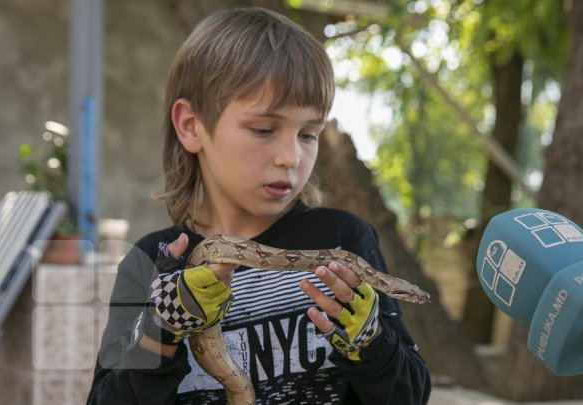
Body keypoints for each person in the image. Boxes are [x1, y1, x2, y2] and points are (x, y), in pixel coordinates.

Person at [87, 7, 431, 405]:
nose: (290, 156)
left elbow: (410, 395)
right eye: (264, 129)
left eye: (309, 134)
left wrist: (372, 342)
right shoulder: (154, 262)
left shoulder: (345, 241)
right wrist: (162, 327)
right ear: (191, 126)